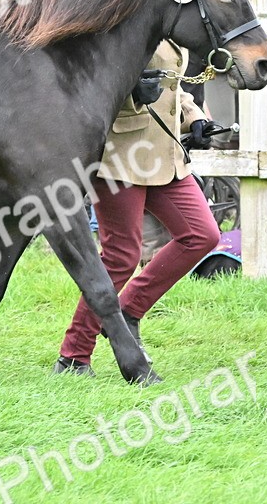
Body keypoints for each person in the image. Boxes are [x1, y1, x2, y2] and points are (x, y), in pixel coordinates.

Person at [54, 44, 221, 376]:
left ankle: (127, 312)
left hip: (166, 152)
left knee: (201, 235)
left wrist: (194, 117)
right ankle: (73, 356)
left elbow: (171, 83)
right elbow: (90, 77)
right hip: (121, 153)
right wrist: (131, 92)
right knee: (121, 255)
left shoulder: (169, 17)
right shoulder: (117, 13)